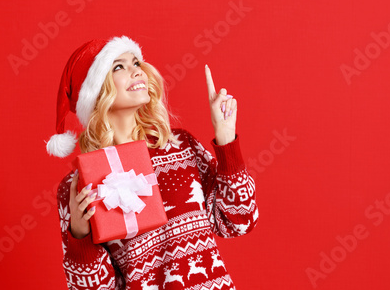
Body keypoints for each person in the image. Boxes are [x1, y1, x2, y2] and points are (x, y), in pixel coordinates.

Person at [46, 35, 258, 289]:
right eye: (119, 66)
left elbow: (239, 220)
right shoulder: (80, 185)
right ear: (96, 93)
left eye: (136, 62)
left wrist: (226, 140)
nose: (137, 71)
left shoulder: (181, 145)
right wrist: (80, 236)